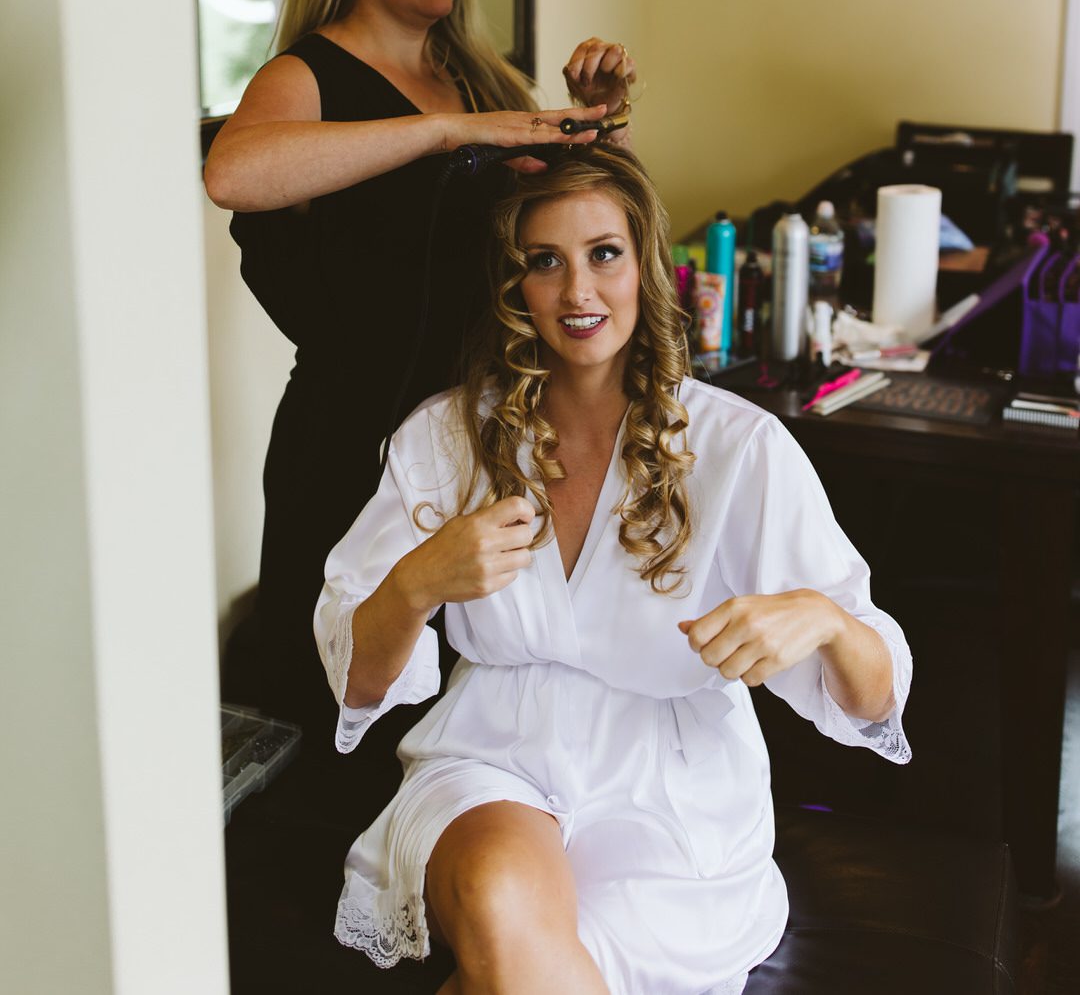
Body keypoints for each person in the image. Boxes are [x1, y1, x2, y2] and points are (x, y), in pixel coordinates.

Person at [315, 148, 912, 995]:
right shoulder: (445, 438)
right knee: (495, 898)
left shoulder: (740, 450)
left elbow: (875, 699)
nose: (577, 292)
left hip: (676, 788)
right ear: (513, 285)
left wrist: (823, 615)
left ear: (648, 266)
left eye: (604, 253)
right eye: (544, 262)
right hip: (494, 753)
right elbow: (358, 681)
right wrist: (419, 582)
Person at [204, 0, 636, 733]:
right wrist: (449, 134)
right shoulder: (306, 74)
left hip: (486, 423)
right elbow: (232, 174)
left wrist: (589, 127)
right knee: (345, 671)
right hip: (351, 435)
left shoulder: (476, 77)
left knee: (473, 679)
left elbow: (565, 226)